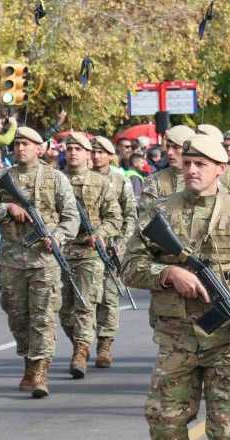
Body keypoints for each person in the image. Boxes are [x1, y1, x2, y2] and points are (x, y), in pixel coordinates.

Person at [124, 134, 230, 439]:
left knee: (225, 431)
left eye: (201, 164)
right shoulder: (160, 213)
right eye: (188, 163)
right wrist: (168, 273)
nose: (192, 169)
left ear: (220, 168)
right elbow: (129, 267)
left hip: (228, 341)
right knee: (164, 424)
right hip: (176, 339)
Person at [0, 126, 79, 398]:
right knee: (17, 316)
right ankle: (28, 359)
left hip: (44, 260)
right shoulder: (3, 178)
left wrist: (56, 237)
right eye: (17, 144)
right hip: (12, 260)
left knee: (43, 316)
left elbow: (71, 217)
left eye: (26, 144)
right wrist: (7, 208)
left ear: (39, 148)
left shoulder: (55, 178)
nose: (20, 148)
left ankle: (39, 371)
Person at [58, 133, 120, 379]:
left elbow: (114, 217)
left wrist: (100, 234)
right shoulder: (56, 180)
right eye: (69, 149)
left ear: (87, 154)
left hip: (89, 252)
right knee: (64, 310)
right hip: (60, 250)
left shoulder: (101, 183)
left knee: (85, 305)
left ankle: (81, 353)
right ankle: (80, 342)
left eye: (78, 149)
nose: (73, 153)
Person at [89, 135, 137, 367]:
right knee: (83, 300)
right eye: (93, 152)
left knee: (108, 298)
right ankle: (81, 343)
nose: (96, 156)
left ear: (110, 156)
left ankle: (105, 344)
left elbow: (130, 215)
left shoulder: (120, 181)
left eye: (101, 152)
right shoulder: (79, 178)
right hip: (84, 248)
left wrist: (121, 243)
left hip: (111, 248)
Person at [138, 125, 195, 215]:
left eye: (176, 147)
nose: (169, 152)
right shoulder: (154, 181)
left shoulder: (204, 180)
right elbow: (144, 217)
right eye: (168, 147)